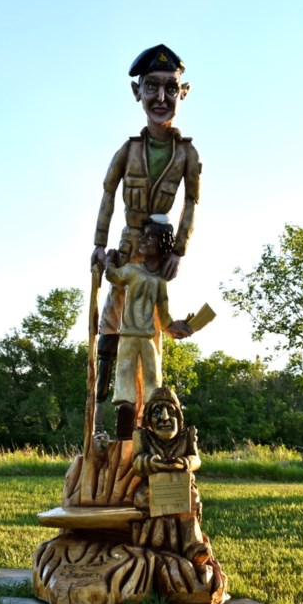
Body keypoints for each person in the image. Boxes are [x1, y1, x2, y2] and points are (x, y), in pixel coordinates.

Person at [90, 44, 201, 436]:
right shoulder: (129, 150)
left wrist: (179, 250)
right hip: (127, 244)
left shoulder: (186, 154)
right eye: (151, 87)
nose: (160, 98)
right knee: (113, 318)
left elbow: (191, 202)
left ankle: (152, 416)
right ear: (137, 92)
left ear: (182, 93)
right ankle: (109, 398)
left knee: (154, 324)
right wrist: (100, 245)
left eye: (170, 89)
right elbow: (107, 194)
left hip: (161, 249)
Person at [103, 217, 193, 441]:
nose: (143, 240)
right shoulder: (132, 270)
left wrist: (178, 327)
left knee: (153, 381)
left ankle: (152, 431)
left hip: (147, 338)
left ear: (161, 244)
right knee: (124, 380)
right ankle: (124, 434)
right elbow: (113, 276)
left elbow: (164, 318)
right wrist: (109, 261)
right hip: (128, 337)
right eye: (143, 235)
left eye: (150, 236)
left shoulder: (159, 282)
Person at [131, 386, 212, 568]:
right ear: (149, 420)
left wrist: (183, 463)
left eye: (171, 411)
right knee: (155, 508)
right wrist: (153, 463)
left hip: (181, 489)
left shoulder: (187, 436)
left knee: (188, 505)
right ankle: (155, 547)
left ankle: (193, 546)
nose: (165, 418)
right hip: (153, 490)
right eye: (157, 412)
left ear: (179, 416)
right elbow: (137, 461)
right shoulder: (142, 436)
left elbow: (195, 459)